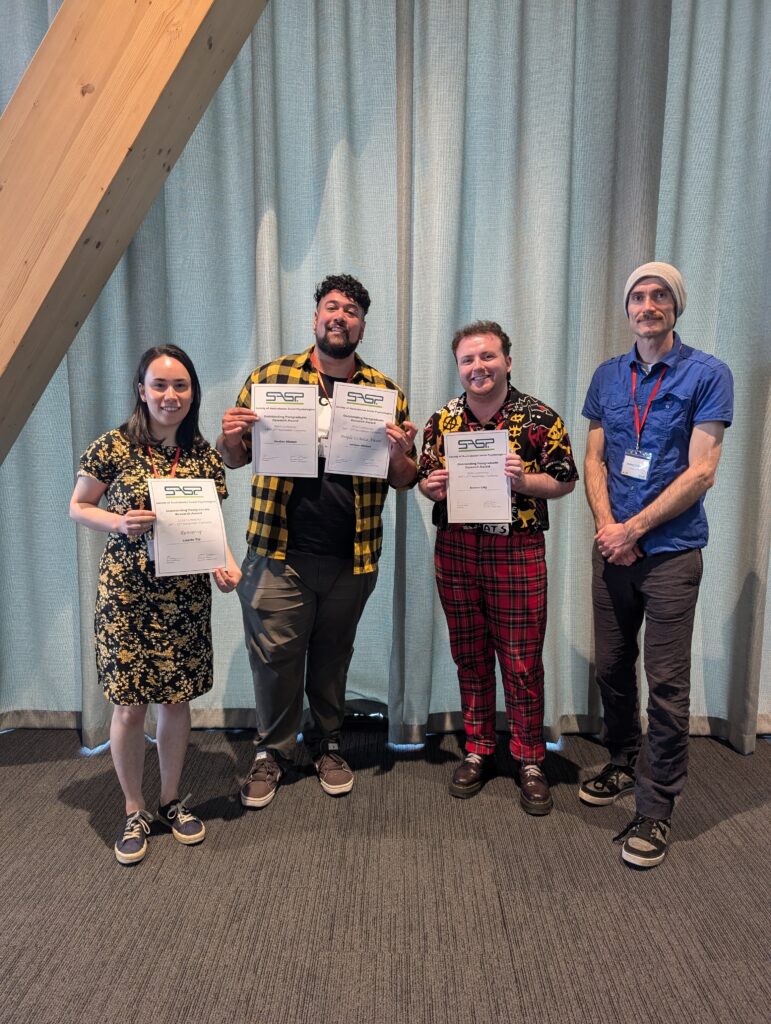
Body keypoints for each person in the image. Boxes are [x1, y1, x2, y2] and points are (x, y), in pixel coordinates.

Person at [217, 274, 417, 806]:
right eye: (332, 307)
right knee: (276, 658)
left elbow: (403, 478)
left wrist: (401, 453)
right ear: (315, 318)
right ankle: (273, 751)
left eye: (351, 310)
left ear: (361, 325)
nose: (340, 316)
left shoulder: (384, 392)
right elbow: (233, 458)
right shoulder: (271, 377)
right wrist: (230, 434)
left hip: (352, 553)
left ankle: (327, 740)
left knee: (333, 657)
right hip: (278, 549)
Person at [580, 261, 733, 868]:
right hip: (612, 549)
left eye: (660, 295)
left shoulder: (707, 374)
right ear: (627, 309)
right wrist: (607, 530)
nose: (647, 305)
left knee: (667, 687)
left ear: (676, 307)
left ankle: (656, 807)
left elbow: (703, 470)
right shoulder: (607, 377)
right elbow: (595, 458)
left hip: (671, 555)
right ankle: (622, 760)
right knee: (613, 668)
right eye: (638, 296)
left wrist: (635, 529)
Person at [70, 345, 241, 865]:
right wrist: (119, 522)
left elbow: (209, 525)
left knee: (176, 700)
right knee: (129, 704)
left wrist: (226, 562)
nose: (171, 395)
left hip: (184, 597)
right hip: (127, 597)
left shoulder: (203, 456)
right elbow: (78, 506)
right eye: (160, 385)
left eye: (181, 386)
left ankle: (170, 800)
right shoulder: (113, 447)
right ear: (141, 390)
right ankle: (133, 807)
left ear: (193, 394)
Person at [418, 321, 577, 814]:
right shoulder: (442, 420)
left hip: (517, 550)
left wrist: (523, 480)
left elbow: (565, 480)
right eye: (467, 360)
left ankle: (529, 757)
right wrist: (433, 487)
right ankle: (479, 747)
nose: (477, 367)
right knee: (469, 654)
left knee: (522, 660)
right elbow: (423, 480)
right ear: (458, 367)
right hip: (457, 549)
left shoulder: (538, 417)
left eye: (487, 357)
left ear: (507, 361)